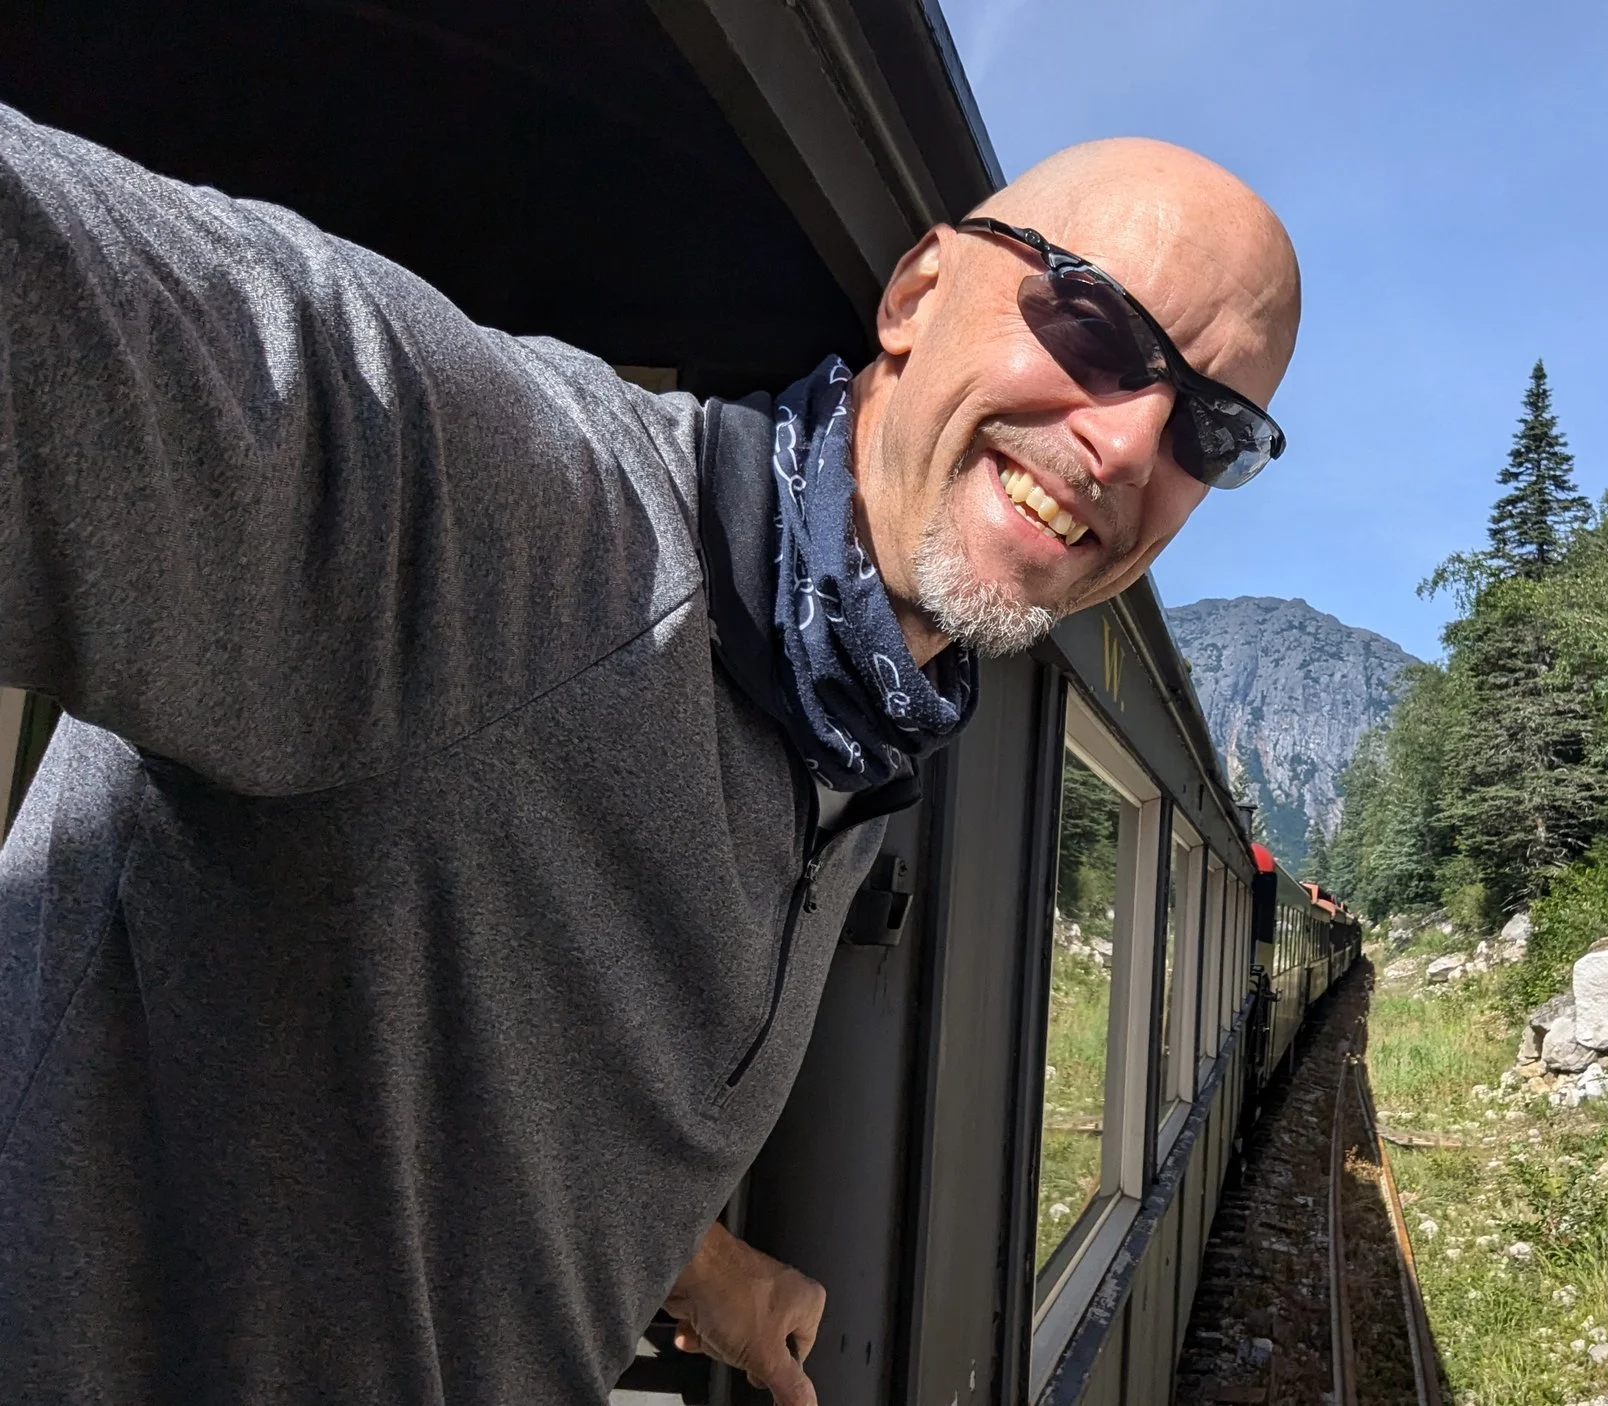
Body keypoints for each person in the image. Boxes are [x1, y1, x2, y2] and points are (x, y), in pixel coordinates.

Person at [0, 101, 1299, 1406]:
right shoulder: (509, 502)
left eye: (1210, 432)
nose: (1129, 444)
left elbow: (470, 1081)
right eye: (1088, 321)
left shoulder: (862, 723)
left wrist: (698, 1263)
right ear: (916, 291)